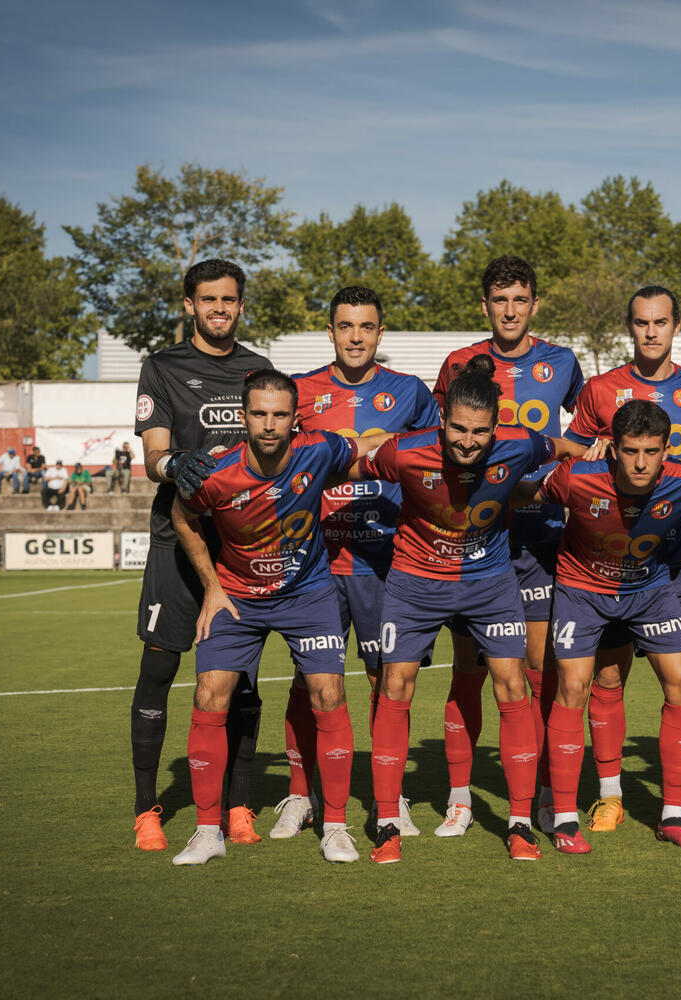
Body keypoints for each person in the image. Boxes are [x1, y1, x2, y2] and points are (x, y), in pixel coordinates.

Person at [356, 354, 601, 863]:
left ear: (497, 428)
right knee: (395, 684)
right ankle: (386, 823)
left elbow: (561, 446)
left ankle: (519, 824)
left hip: (489, 582)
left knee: (513, 685)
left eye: (480, 432)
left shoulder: (521, 443)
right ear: (442, 419)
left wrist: (599, 452)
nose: (467, 442)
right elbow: (350, 463)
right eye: (458, 429)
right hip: (416, 581)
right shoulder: (405, 451)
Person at [169, 369, 387, 866]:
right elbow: (183, 517)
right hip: (237, 597)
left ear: (295, 419)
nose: (269, 424)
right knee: (209, 693)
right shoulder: (215, 472)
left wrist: (434, 439)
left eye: (280, 415)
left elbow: (372, 445)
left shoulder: (320, 450)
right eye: (260, 414)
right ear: (243, 416)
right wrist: (211, 586)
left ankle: (335, 827)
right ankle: (207, 832)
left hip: (307, 594)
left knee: (328, 692)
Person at [269, 286, 440, 841]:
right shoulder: (300, 391)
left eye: (367, 327)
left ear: (380, 333)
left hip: (382, 563)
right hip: (315, 562)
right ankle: (301, 795)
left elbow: (431, 460)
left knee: (387, 681)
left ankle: (390, 799)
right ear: (331, 332)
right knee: (307, 681)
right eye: (346, 326)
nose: (356, 337)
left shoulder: (410, 392)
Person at [560, 285, 681, 835]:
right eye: (640, 322)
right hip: (615, 560)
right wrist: (590, 453)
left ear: (677, 325)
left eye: (660, 322)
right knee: (609, 676)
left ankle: (677, 799)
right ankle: (610, 796)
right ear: (629, 327)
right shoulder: (600, 390)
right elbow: (572, 450)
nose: (650, 332)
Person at [429, 256, 584, 838]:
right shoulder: (458, 363)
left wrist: (571, 471)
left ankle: (540, 792)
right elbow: (439, 438)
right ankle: (460, 797)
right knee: (469, 670)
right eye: (500, 300)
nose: (510, 310)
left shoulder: (562, 362)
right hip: (475, 539)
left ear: (534, 304)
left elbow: (586, 430)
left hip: (541, 540)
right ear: (486, 305)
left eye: (520, 299)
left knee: (539, 670)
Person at [128, 258, 271, 853]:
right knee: (159, 669)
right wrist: (176, 464)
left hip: (243, 543)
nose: (219, 308)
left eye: (228, 299)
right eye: (208, 299)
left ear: (240, 305)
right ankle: (146, 809)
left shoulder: (259, 370)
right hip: (177, 538)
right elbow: (152, 458)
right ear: (189, 304)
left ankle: (238, 806)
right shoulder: (161, 367)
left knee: (241, 682)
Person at [537, 400, 681, 854]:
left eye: (651, 452)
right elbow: (525, 494)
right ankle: (566, 819)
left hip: (649, 590)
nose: (640, 463)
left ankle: (672, 815)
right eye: (631, 451)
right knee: (575, 686)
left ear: (667, 451)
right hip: (582, 591)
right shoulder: (577, 477)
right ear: (613, 449)